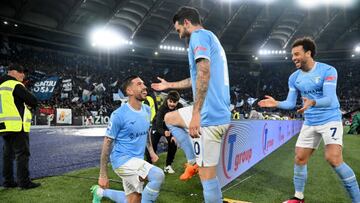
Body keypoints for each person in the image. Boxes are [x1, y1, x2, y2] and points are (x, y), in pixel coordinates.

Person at [258, 37, 360, 203]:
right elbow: (291, 103)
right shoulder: (293, 77)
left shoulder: (328, 71)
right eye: (292, 55)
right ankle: (298, 197)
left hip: (330, 119)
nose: (293, 58)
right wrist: (276, 103)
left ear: (308, 53)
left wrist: (313, 102)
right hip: (310, 121)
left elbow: (329, 98)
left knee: (333, 158)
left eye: (297, 54)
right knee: (299, 158)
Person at [151, 6, 230, 203]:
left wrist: (197, 114)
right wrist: (169, 85)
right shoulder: (211, 37)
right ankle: (192, 160)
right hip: (217, 112)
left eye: (178, 30)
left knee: (208, 179)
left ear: (186, 22)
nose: (178, 35)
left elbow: (203, 72)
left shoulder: (198, 37)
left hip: (209, 117)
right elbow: (195, 78)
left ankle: (195, 164)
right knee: (169, 118)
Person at [91, 75, 164, 203]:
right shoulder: (119, 114)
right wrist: (103, 174)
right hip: (122, 161)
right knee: (157, 175)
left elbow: (146, 132)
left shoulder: (147, 110)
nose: (144, 86)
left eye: (143, 83)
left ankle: (100, 192)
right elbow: (107, 143)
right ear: (129, 91)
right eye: (139, 84)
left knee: (133, 200)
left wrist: (151, 151)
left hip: (138, 160)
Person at [0, 64, 40, 189]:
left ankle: (8, 182)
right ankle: (24, 182)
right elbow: (33, 100)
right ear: (12, 72)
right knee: (22, 153)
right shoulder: (14, 84)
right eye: (20, 72)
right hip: (16, 125)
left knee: (7, 155)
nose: (23, 74)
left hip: (3, 125)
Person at [148, 90, 183, 174]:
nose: (172, 104)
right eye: (170, 101)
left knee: (173, 143)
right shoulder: (162, 109)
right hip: (157, 126)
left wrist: (175, 135)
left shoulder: (180, 107)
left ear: (177, 102)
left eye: (174, 102)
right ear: (167, 100)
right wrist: (164, 133)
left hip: (170, 127)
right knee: (152, 144)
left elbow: (181, 121)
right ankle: (149, 166)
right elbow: (159, 126)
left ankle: (168, 166)